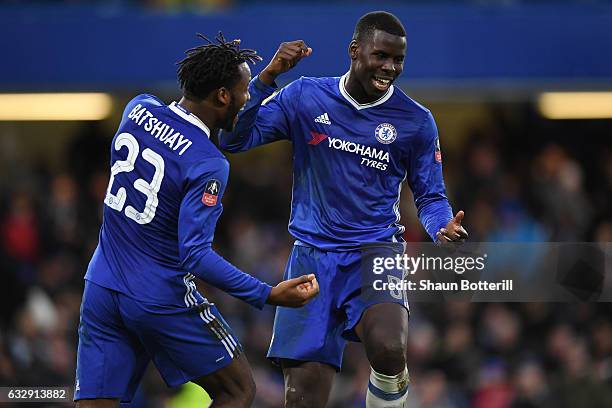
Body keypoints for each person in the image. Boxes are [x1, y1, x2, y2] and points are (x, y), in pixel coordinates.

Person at [219, 12, 467, 408]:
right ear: (355, 51)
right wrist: (266, 78)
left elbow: (431, 196)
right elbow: (235, 139)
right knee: (303, 400)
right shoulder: (305, 97)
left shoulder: (417, 122)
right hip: (311, 258)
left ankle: (391, 389)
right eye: (381, 55)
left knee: (389, 349)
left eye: (398, 60)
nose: (390, 67)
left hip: (375, 252)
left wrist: (441, 228)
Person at [74, 33, 319, 408]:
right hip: (158, 295)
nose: (246, 98)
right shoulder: (208, 162)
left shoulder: (137, 109)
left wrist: (267, 75)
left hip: (101, 286)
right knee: (237, 390)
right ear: (222, 96)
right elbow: (195, 255)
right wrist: (266, 293)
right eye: (242, 91)